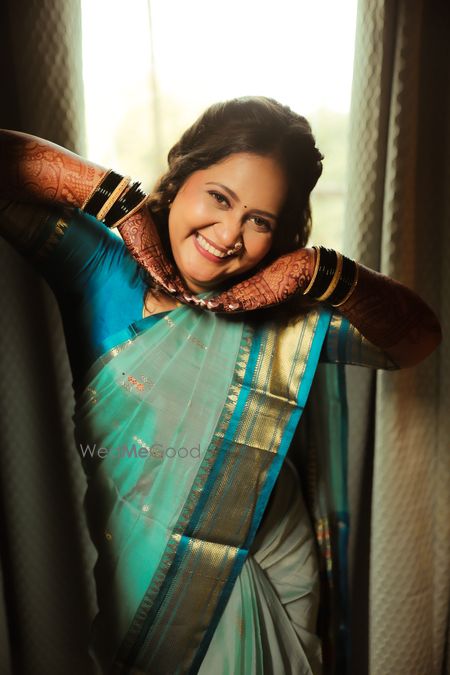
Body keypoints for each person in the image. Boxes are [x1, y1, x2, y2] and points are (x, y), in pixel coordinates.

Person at [0, 96, 441, 675]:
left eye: (261, 221)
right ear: (180, 174)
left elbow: (417, 340)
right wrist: (120, 201)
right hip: (148, 589)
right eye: (220, 197)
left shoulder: (282, 315)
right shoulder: (102, 268)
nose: (230, 233)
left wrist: (315, 269)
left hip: (275, 568)